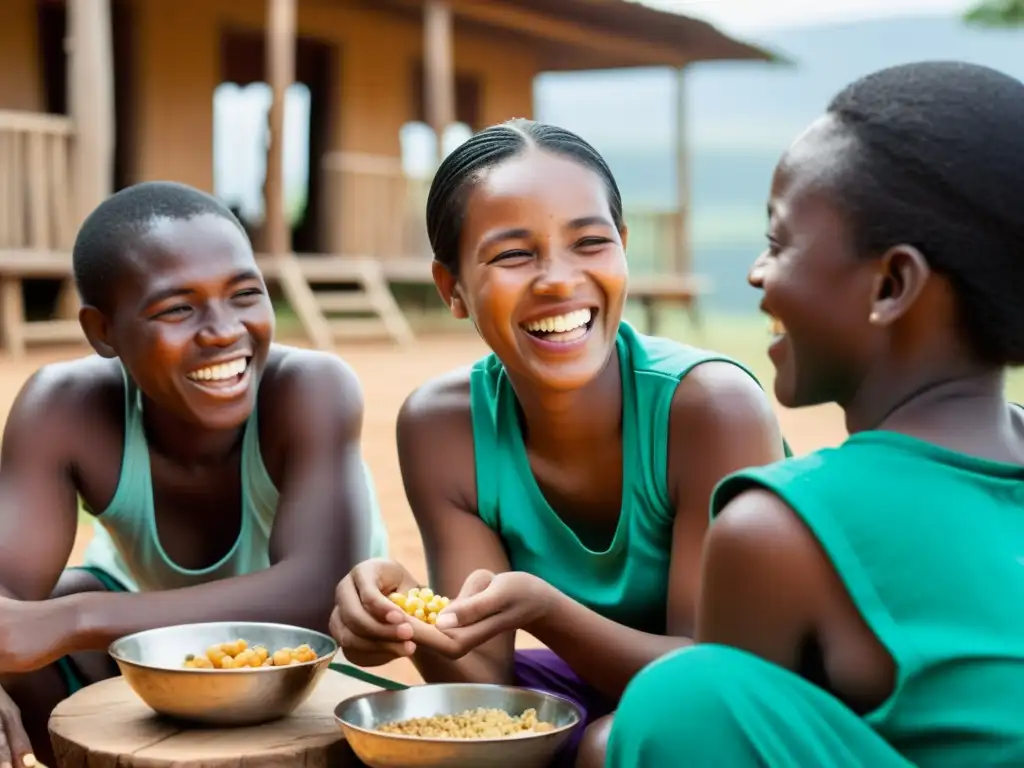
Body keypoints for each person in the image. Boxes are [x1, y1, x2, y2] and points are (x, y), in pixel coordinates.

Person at [603, 60, 1024, 767]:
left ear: (891, 284)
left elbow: (721, 739)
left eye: (778, 242)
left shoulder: (781, 531)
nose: (756, 274)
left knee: (682, 701)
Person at [329, 119, 787, 765]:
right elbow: (483, 686)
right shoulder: (442, 426)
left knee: (611, 746)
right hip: (604, 688)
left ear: (624, 248)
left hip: (760, 700)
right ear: (451, 287)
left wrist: (548, 610)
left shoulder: (709, 409)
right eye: (514, 254)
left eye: (591, 243)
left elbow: (710, 679)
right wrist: (406, 618)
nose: (557, 279)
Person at [0, 181, 390, 767]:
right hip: (145, 646)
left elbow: (315, 591)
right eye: (177, 308)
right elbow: (9, 604)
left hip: (308, 663)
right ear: (102, 331)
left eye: (244, 295)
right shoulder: (65, 407)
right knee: (35, 628)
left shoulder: (311, 390)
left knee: (56, 613)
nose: (223, 331)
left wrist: (71, 620)